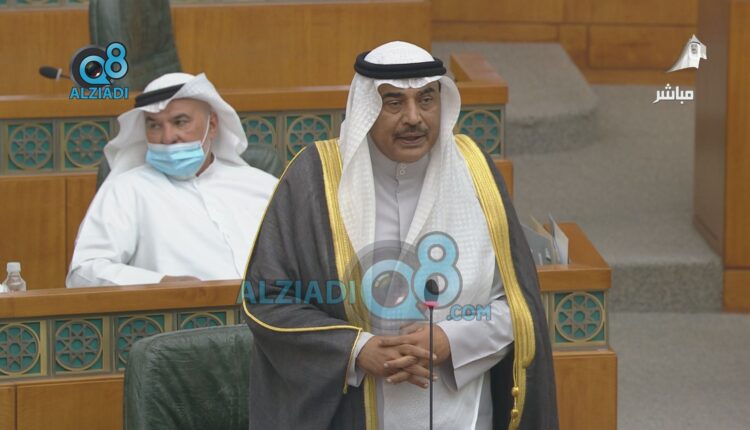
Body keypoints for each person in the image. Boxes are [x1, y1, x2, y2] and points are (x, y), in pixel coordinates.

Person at [242, 41, 557, 429]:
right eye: (394, 102)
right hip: (353, 411)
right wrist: (356, 350)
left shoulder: (475, 172)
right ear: (366, 108)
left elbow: (517, 307)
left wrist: (453, 340)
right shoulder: (314, 178)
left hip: (464, 413)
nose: (413, 118)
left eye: (426, 100)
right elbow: (267, 298)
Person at [66, 73, 277, 288]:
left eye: (180, 122)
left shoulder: (263, 186)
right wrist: (159, 284)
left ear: (212, 125)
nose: (167, 137)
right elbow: (84, 272)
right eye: (155, 126)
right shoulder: (126, 190)